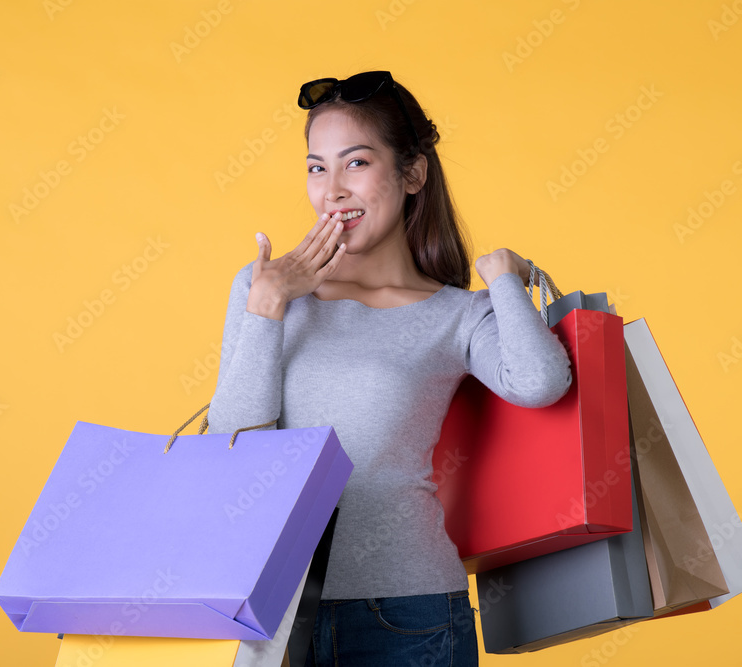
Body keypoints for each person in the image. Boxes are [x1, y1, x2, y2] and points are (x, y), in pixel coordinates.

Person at [206, 71, 573, 667]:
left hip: (408, 612)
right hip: (269, 609)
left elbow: (540, 383)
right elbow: (229, 448)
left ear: (412, 174)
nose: (332, 190)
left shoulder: (456, 314)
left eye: (354, 163)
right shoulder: (263, 289)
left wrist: (504, 277)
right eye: (316, 167)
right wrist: (268, 307)